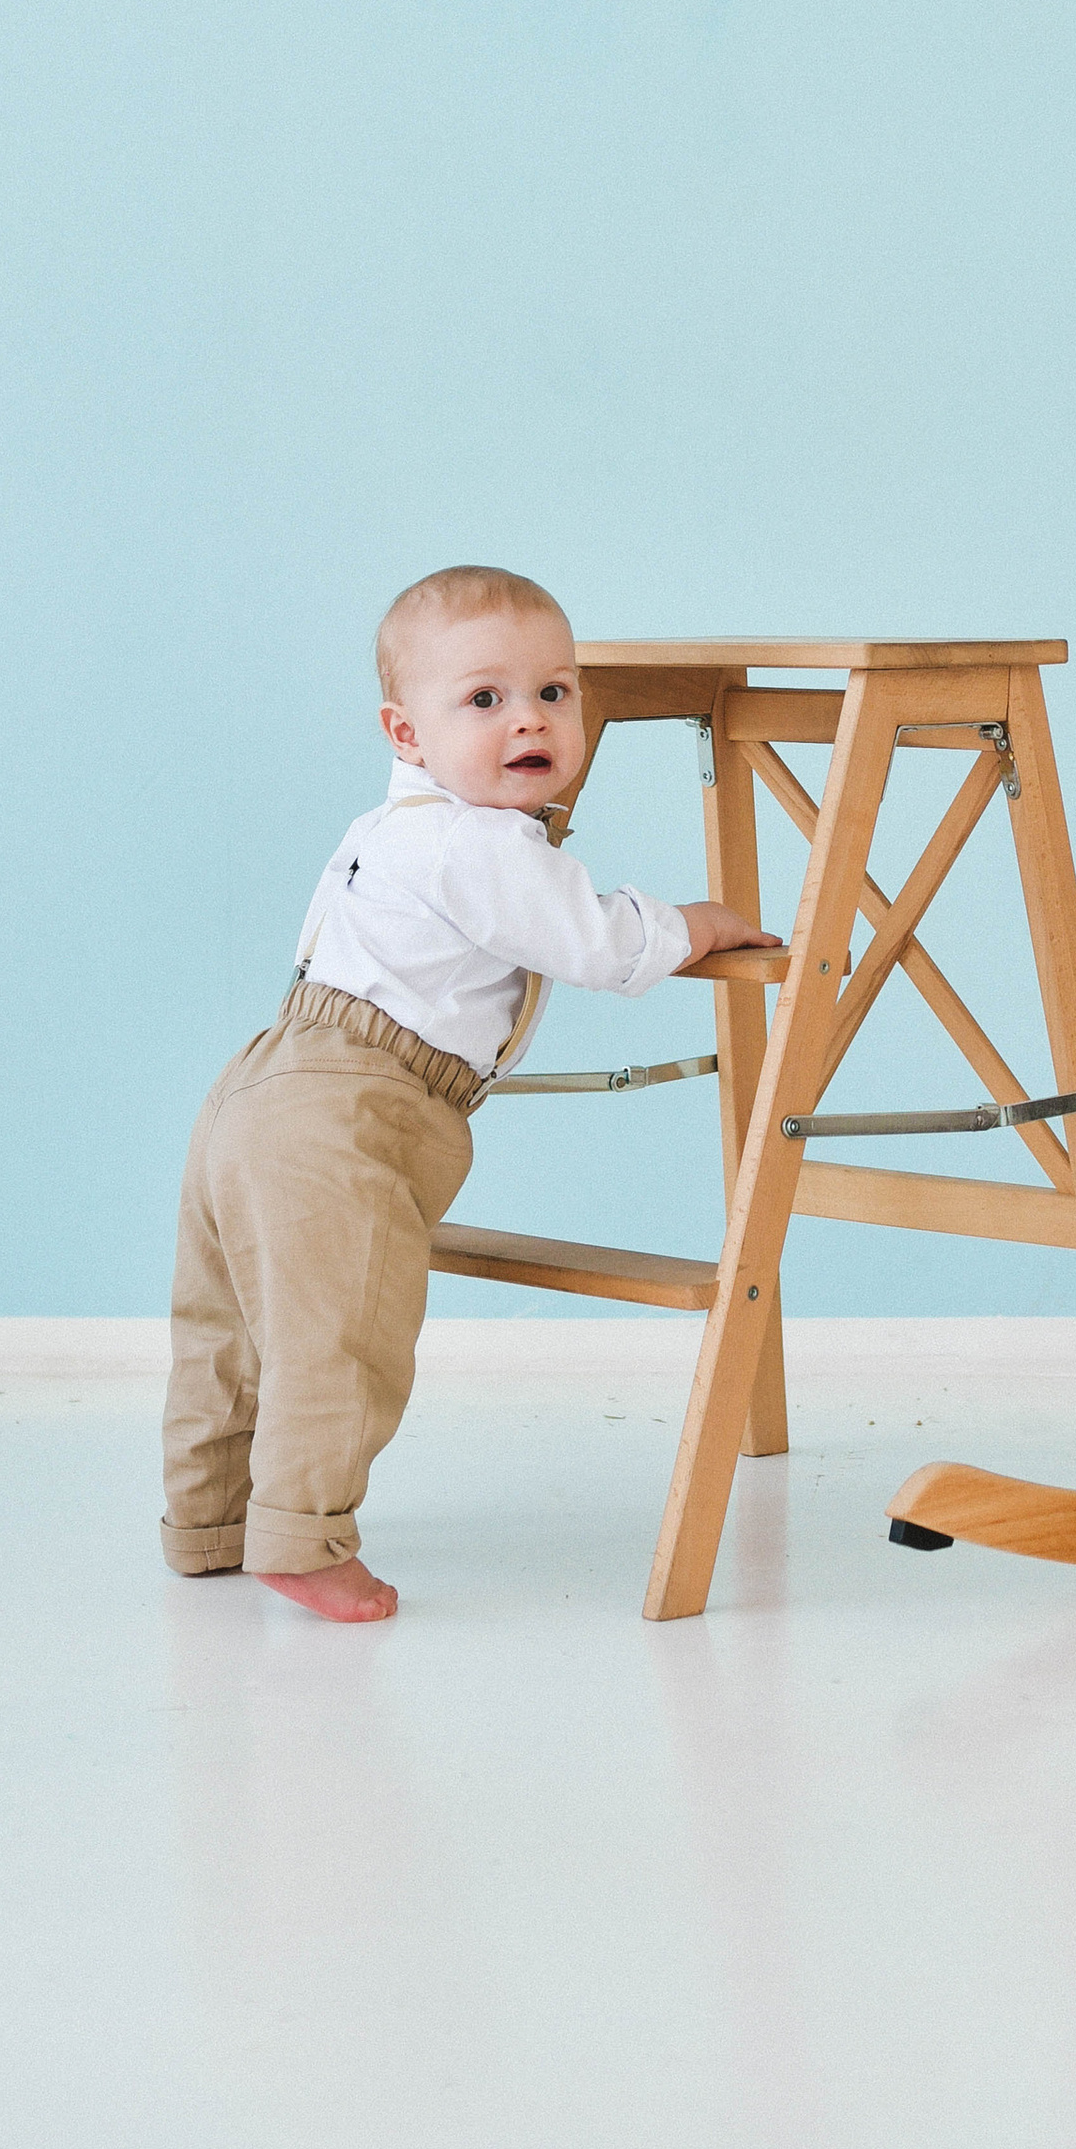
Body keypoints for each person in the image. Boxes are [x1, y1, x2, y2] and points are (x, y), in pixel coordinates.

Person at [160, 565, 770, 1619]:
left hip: (257, 1085)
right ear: (407, 733)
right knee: (341, 1332)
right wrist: (697, 924)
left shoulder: (387, 828)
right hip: (351, 1108)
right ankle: (303, 1536)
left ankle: (208, 1521)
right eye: (484, 699)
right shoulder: (479, 842)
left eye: (555, 693)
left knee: (233, 1330)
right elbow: (598, 943)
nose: (529, 720)